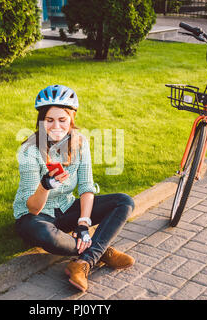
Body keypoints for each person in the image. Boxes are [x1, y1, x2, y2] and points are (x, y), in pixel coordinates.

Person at [13, 84, 136, 292]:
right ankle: (100, 251)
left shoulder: (80, 143)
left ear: (71, 119)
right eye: (49, 120)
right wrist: (45, 185)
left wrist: (82, 224)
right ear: (41, 121)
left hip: (67, 208)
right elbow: (32, 208)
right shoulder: (29, 150)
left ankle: (83, 262)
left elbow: (87, 187)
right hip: (35, 217)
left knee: (124, 201)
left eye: (62, 120)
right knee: (47, 235)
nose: (56, 126)